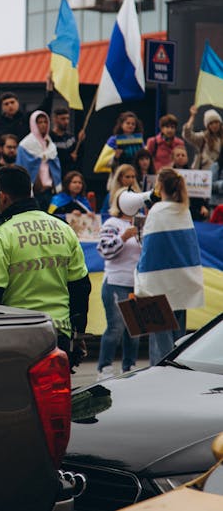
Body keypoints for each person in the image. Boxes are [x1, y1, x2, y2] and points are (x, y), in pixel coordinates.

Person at [0, 165, 91, 369]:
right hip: (59, 336)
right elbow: (81, 287)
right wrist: (77, 334)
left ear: (2, 196)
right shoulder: (64, 229)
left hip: (18, 337)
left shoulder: (2, 234)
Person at [135, 168, 205, 365]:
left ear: (159, 186)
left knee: (161, 340)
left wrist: (140, 276)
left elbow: (149, 250)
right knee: (178, 338)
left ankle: (162, 373)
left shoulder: (157, 211)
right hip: (183, 281)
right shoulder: (185, 210)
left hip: (159, 283)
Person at [95, 187, 141, 380]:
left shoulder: (142, 223)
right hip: (116, 282)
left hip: (137, 285)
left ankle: (129, 367)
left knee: (134, 331)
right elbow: (103, 249)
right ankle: (104, 369)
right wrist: (123, 238)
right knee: (115, 328)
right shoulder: (111, 223)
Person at [0, 77, 54, 155]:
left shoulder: (27, 118)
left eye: (12, 102)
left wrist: (49, 91)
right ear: (2, 107)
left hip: (25, 158)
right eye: (6, 104)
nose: (10, 106)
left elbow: (44, 109)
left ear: (17, 103)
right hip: (5, 161)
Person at [16, 110, 62, 211]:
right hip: (33, 192)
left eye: (45, 122)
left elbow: (56, 166)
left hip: (50, 191)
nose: (43, 125)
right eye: (39, 122)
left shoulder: (50, 144)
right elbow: (21, 167)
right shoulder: (26, 145)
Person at [171, 145, 210, 222]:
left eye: (183, 155)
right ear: (173, 158)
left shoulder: (194, 174)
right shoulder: (168, 174)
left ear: (187, 158)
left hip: (192, 209)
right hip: (173, 208)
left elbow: (200, 193)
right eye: (178, 155)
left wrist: (203, 206)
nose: (180, 157)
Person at [182, 105, 223, 170]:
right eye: (211, 123)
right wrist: (192, 116)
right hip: (205, 172)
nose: (214, 125)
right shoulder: (203, 137)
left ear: (220, 123)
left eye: (216, 122)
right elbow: (187, 135)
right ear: (207, 126)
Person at [50, 107, 85, 178]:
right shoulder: (50, 138)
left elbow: (79, 156)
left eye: (67, 118)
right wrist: (69, 157)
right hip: (56, 176)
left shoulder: (71, 137)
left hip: (70, 176)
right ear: (55, 119)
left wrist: (80, 141)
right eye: (63, 119)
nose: (66, 121)